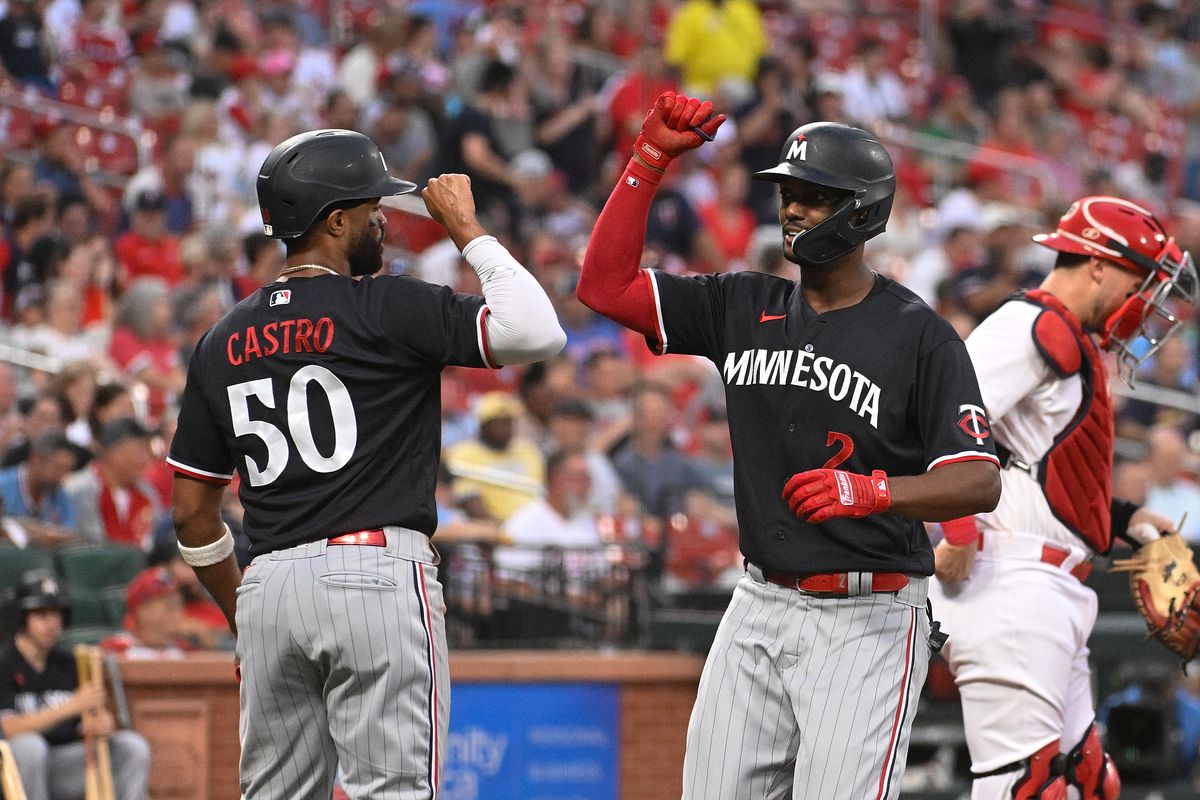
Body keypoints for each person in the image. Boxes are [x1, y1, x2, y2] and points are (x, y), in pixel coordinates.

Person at [577, 90, 1001, 798]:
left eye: (814, 195)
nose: (793, 209)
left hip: (868, 614)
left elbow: (978, 479)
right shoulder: (743, 303)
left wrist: (875, 492)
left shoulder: (917, 334)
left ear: (864, 212)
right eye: (788, 194)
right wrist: (647, 161)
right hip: (758, 601)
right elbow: (604, 284)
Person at [167, 129, 565, 800]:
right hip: (373, 570)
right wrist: (467, 229)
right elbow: (537, 331)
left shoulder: (221, 337)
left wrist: (247, 614)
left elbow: (191, 512)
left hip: (268, 583)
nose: (383, 217)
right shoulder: (387, 305)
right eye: (372, 203)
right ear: (336, 220)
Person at [929, 195, 1197, 798]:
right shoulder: (1033, 325)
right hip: (1010, 583)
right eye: (1141, 279)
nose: (1148, 302)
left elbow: (1041, 469)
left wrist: (1122, 519)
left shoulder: (1064, 334)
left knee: (1084, 783)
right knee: (1027, 788)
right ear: (1098, 264)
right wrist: (961, 529)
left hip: (1044, 583)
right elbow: (941, 416)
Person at [0, 570, 151, 800]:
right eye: (41, 614)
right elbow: (8, 730)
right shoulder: (5, 663)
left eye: (56, 614)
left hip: (61, 764)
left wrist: (102, 723)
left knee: (132, 746)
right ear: (21, 617)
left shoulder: (69, 663)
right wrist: (71, 707)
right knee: (30, 746)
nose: (51, 623)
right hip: (14, 768)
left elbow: (87, 724)